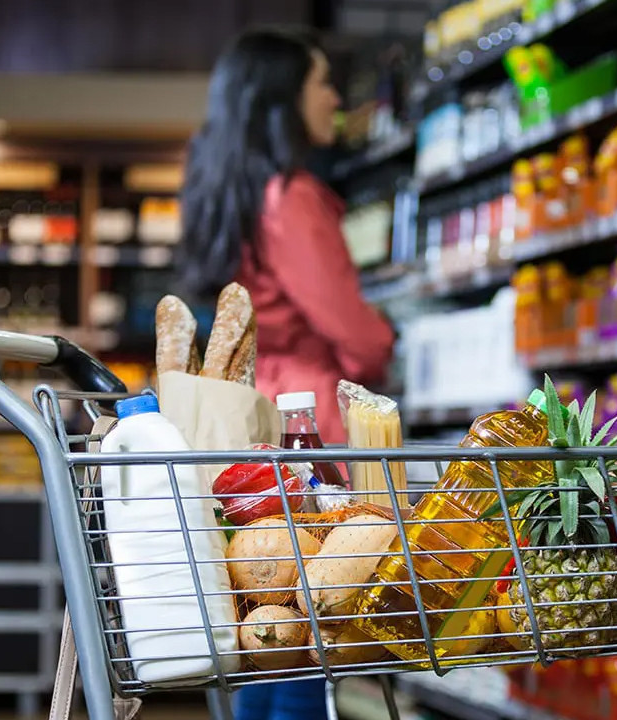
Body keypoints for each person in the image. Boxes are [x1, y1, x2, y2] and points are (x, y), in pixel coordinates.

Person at [176, 27, 395, 719]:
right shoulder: (291, 197)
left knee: (260, 615)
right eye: (323, 82)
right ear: (282, 100)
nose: (335, 96)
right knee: (304, 622)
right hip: (305, 431)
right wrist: (376, 356)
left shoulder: (231, 195)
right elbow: (354, 332)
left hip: (249, 419)